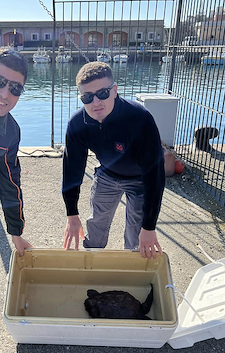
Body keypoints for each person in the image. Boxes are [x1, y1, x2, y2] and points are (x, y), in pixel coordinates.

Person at [62, 62, 165, 259]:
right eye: (87, 97)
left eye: (102, 93)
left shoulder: (140, 119)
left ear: (115, 91)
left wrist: (149, 227)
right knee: (97, 222)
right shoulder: (77, 124)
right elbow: (72, 170)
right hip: (107, 174)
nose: (95, 102)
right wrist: (72, 213)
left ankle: (133, 266)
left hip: (141, 179)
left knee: (138, 233)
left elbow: (155, 176)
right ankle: (92, 260)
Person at [0, 48, 32, 256]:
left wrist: (16, 233)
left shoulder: (11, 131)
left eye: (15, 88)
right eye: (0, 82)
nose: (5, 94)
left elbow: (10, 183)